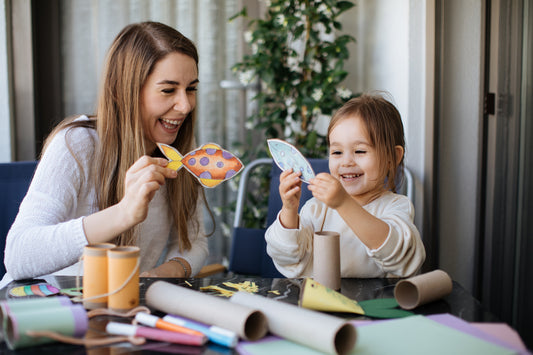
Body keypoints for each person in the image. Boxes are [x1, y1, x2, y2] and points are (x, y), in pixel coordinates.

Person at [3, 21, 213, 283]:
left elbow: (193, 242)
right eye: (168, 90)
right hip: (43, 309)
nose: (185, 105)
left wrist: (167, 272)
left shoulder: (181, 153)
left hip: (117, 310)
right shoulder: (77, 143)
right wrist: (123, 213)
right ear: (121, 91)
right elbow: (18, 254)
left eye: (191, 89)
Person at [265, 93, 425, 278]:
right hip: (318, 303)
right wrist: (289, 210)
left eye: (359, 151)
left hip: (373, 303)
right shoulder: (316, 209)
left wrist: (343, 203)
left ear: (392, 158)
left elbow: (401, 258)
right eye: (337, 152)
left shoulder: (396, 206)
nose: (346, 162)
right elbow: (288, 258)